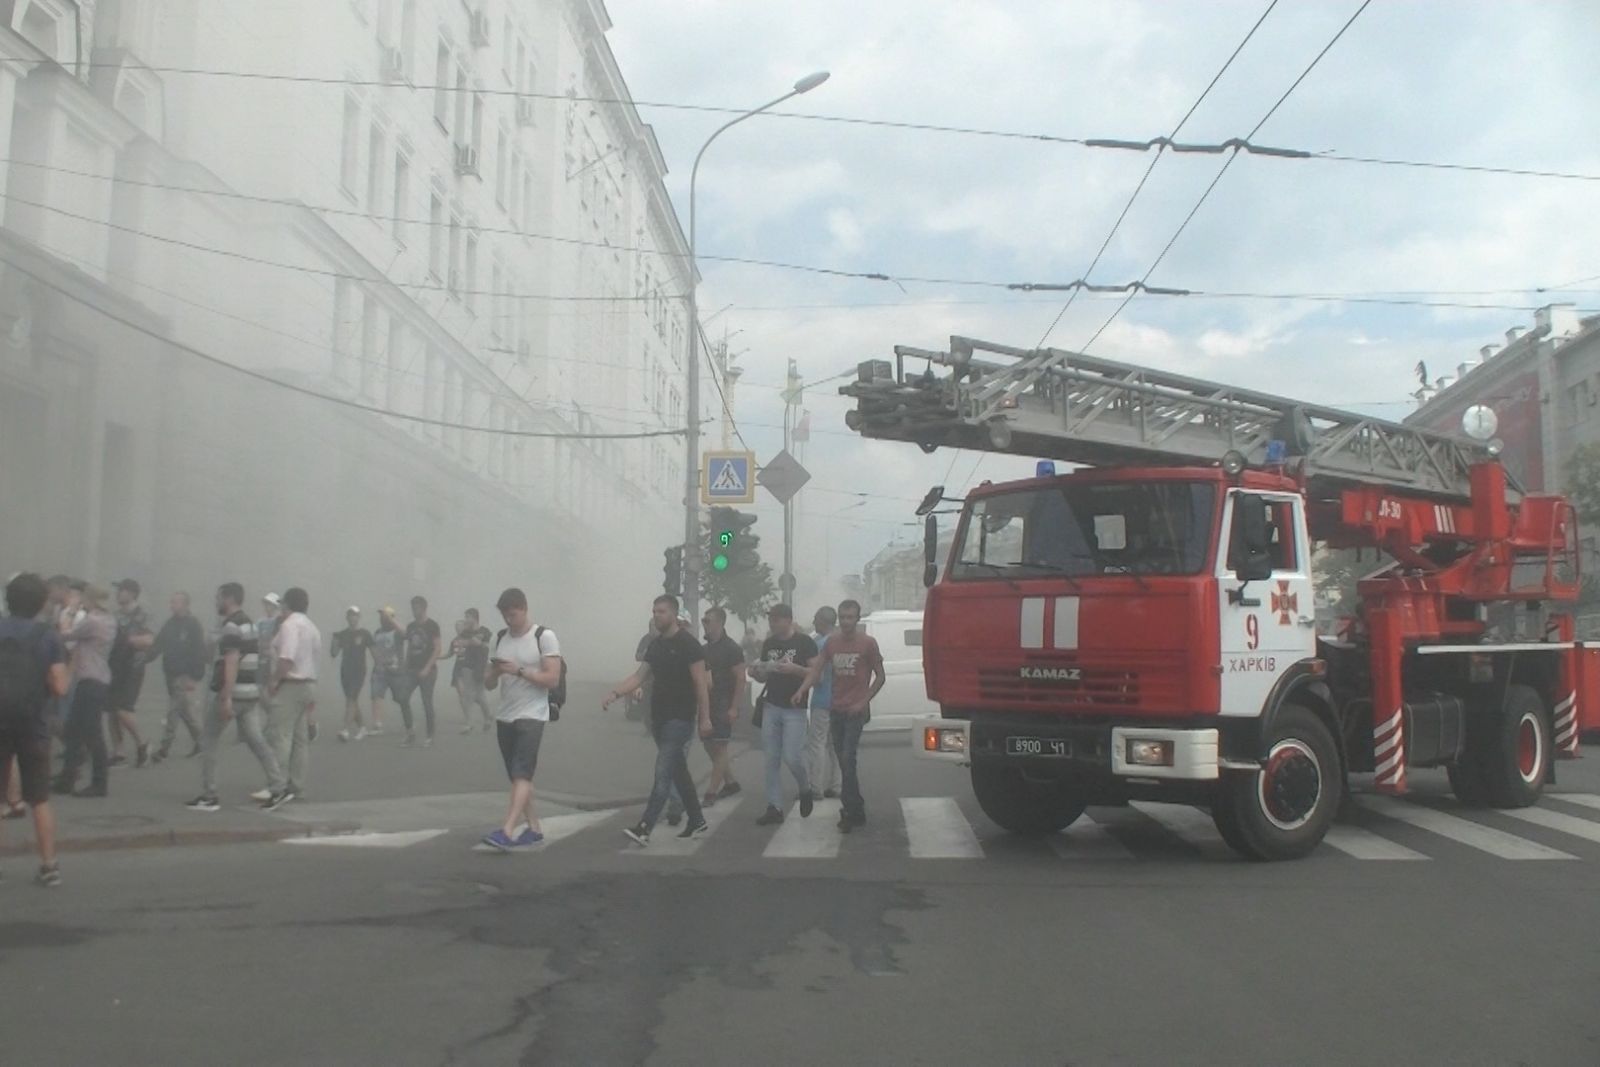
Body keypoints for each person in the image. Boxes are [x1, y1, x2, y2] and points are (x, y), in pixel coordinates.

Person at [604, 594, 712, 846]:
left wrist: (704, 719)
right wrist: (615, 693)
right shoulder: (656, 645)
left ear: (674, 614)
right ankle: (697, 819)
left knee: (663, 772)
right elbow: (639, 676)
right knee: (679, 772)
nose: (656, 616)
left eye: (661, 611)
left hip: (680, 718)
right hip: (659, 718)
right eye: (654, 612)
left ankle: (645, 827)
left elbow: (701, 684)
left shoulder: (689, 644)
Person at [186, 583, 290, 812]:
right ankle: (278, 785)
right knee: (256, 740)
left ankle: (209, 795)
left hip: (234, 693)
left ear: (229, 599)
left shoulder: (232, 626)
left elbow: (231, 661)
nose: (215, 601)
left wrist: (225, 697)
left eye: (218, 597)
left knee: (209, 741)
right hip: (250, 693)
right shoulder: (249, 623)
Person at [480, 588, 563, 851]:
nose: (509, 621)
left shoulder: (544, 637)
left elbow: (552, 678)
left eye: (513, 615)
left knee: (522, 772)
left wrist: (519, 671)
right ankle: (534, 827)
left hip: (533, 713)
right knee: (516, 777)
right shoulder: (500, 638)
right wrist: (494, 671)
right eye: (505, 616)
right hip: (505, 713)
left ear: (524, 609)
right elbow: (489, 683)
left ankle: (507, 830)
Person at [0, 574, 69, 886]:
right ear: (42, 603)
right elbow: (59, 685)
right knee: (39, 798)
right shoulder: (49, 636)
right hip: (33, 725)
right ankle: (49, 865)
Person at [797, 600, 885, 833]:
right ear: (838, 619)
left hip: (855, 711)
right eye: (843, 617)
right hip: (835, 709)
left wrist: (863, 701)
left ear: (857, 619)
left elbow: (880, 676)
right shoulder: (831, 643)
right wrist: (802, 689)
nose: (846, 621)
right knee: (845, 761)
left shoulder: (867, 643)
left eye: (850, 617)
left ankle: (849, 810)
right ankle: (856, 807)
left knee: (847, 758)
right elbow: (817, 670)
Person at [748, 603, 818, 826]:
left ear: (788, 620)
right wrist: (756, 671)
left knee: (792, 756)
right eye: (771, 619)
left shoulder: (804, 642)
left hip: (794, 708)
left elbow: (817, 674)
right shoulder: (769, 643)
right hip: (772, 705)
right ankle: (774, 806)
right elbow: (764, 676)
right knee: (771, 758)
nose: (772, 623)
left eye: (776, 619)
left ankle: (805, 787)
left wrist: (795, 669)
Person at [53, 584, 117, 798]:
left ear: (89, 600)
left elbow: (65, 635)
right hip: (95, 679)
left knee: (92, 734)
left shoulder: (93, 621)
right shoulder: (109, 619)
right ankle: (67, 778)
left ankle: (99, 783)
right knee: (74, 730)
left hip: (90, 680)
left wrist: (70, 612)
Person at [268, 587, 320, 801]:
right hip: (308, 684)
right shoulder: (312, 627)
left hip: (291, 684)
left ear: (287, 604)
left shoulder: (290, 625)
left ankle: (276, 786)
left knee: (280, 735)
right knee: (300, 740)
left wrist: (274, 680)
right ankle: (296, 786)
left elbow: (286, 658)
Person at [145, 592, 207, 762]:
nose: (171, 605)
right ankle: (202, 742)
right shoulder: (170, 624)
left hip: (184, 675)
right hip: (170, 675)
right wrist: (144, 658)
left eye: (175, 602)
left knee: (173, 712)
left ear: (185, 604)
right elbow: (158, 644)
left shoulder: (193, 625)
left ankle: (164, 749)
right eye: (171, 602)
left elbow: (199, 652)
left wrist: (195, 676)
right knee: (185, 712)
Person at [699, 606, 746, 807]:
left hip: (723, 702)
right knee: (708, 743)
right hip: (707, 703)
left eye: (707, 621)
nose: (704, 624)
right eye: (703, 620)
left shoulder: (732, 649)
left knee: (720, 746)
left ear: (719, 623)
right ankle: (731, 782)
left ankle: (711, 792)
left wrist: (734, 707)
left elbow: (740, 678)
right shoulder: (705, 649)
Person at [804, 606, 840, 800]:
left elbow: (817, 674)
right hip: (839, 700)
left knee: (816, 744)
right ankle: (836, 785)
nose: (813, 623)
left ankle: (815, 787)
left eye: (816, 619)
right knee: (835, 746)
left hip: (822, 699)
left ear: (823, 621)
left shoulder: (820, 644)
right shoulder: (840, 641)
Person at [395, 595, 442, 746]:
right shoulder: (411, 627)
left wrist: (427, 668)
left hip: (429, 670)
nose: (414, 610)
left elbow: (437, 648)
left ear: (423, 608)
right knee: (402, 697)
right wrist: (405, 666)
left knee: (426, 702)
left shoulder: (432, 625)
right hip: (412, 669)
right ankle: (410, 732)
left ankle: (430, 736)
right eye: (412, 607)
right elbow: (410, 646)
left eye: (416, 607)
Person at [446, 609, 493, 734]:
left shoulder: (484, 631)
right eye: (465, 617)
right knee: (467, 694)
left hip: (481, 667)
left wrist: (466, 640)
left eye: (468, 617)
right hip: (467, 667)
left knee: (480, 696)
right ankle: (468, 723)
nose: (466, 619)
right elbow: (455, 648)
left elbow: (476, 642)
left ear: (475, 618)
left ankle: (488, 717)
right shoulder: (464, 633)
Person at [329, 607, 373, 742]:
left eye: (355, 615)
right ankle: (362, 727)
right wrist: (334, 642)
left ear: (359, 617)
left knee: (351, 699)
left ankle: (345, 729)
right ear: (347, 617)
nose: (353, 618)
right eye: (350, 615)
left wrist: (382, 666)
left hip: (359, 671)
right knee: (352, 700)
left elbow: (374, 651)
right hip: (345, 671)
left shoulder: (365, 633)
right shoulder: (342, 634)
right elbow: (334, 653)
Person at [369, 606, 402, 734]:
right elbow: (374, 649)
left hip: (395, 670)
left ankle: (408, 720)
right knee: (376, 695)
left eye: (385, 616)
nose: (381, 619)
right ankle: (377, 724)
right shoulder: (377, 632)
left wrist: (392, 621)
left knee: (400, 697)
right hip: (379, 670)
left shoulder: (397, 632)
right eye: (381, 616)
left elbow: (405, 634)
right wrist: (378, 662)